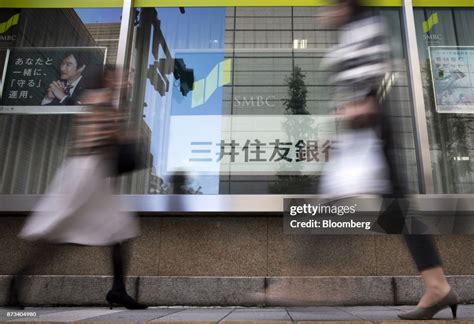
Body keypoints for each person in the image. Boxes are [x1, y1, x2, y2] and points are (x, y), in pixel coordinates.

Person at [318, 0, 459, 319]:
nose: (324, 13)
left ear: (346, 6)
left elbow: (369, 70)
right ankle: (437, 286)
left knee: (369, 201)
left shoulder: (363, 26)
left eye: (330, 6)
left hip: (371, 129)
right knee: (396, 205)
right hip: (366, 130)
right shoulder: (356, 28)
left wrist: (361, 103)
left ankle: (310, 280)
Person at [7, 66, 147, 310]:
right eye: (121, 78)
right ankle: (18, 280)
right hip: (86, 173)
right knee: (61, 230)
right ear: (109, 79)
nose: (125, 82)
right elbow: (107, 139)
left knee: (119, 230)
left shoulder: (99, 101)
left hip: (95, 174)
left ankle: (118, 289)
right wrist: (126, 136)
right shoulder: (101, 101)